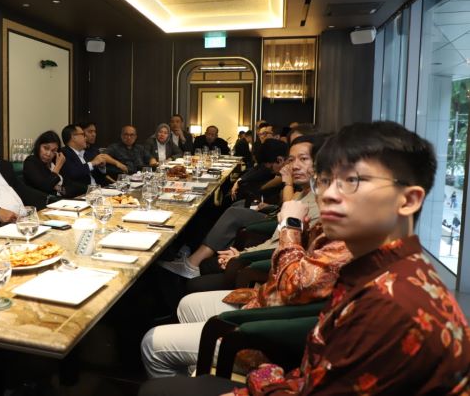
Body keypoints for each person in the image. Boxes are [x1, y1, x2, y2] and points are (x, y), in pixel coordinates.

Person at [140, 121, 470, 395]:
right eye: (325, 180)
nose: (328, 194)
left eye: (353, 181)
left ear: (408, 200)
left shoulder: (393, 306)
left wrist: (260, 379)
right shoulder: (378, 269)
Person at [142, 204, 351, 379]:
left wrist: (291, 225)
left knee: (151, 343)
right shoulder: (333, 224)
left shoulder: (348, 244)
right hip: (266, 300)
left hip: (270, 328)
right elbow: (293, 257)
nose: (331, 191)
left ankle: (195, 372)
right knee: (187, 305)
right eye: (325, 180)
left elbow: (293, 286)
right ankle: (197, 372)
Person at [159, 135, 324, 279]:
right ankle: (194, 252)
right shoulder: (303, 191)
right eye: (291, 159)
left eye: (303, 159)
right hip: (272, 226)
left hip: (277, 250)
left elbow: (287, 218)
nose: (294, 166)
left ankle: (193, 262)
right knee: (232, 206)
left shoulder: (318, 200)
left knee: (233, 213)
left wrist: (287, 183)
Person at [23, 130, 86, 198]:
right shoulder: (31, 161)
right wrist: (58, 167)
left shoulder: (54, 162)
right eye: (46, 148)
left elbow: (71, 185)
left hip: (61, 200)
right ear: (39, 146)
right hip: (42, 201)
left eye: (53, 150)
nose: (48, 154)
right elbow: (46, 187)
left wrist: (58, 188)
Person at [59, 124, 111, 188]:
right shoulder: (64, 153)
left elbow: (97, 176)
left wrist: (101, 167)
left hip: (98, 189)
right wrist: (93, 163)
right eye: (83, 134)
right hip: (82, 192)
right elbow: (74, 173)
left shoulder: (85, 153)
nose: (85, 138)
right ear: (73, 137)